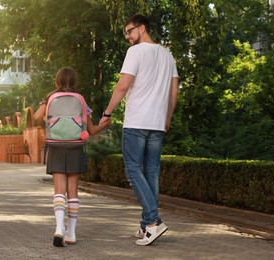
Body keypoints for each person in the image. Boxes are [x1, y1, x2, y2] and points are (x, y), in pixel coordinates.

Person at [100, 14, 179, 246]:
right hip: (156, 123)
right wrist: (167, 117)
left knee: (133, 170)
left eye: (129, 31)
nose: (127, 37)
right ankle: (146, 225)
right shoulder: (168, 54)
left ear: (142, 28)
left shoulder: (135, 52)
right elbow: (174, 92)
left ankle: (154, 222)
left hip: (136, 122)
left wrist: (107, 112)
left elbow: (123, 85)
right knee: (151, 173)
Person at [34, 67, 110, 247]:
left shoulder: (50, 98)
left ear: (57, 82)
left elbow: (36, 117)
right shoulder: (81, 100)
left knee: (59, 190)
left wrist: (50, 121)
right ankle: (71, 233)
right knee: (73, 190)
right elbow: (91, 130)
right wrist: (104, 125)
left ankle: (59, 228)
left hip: (56, 146)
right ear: (75, 82)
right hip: (76, 146)